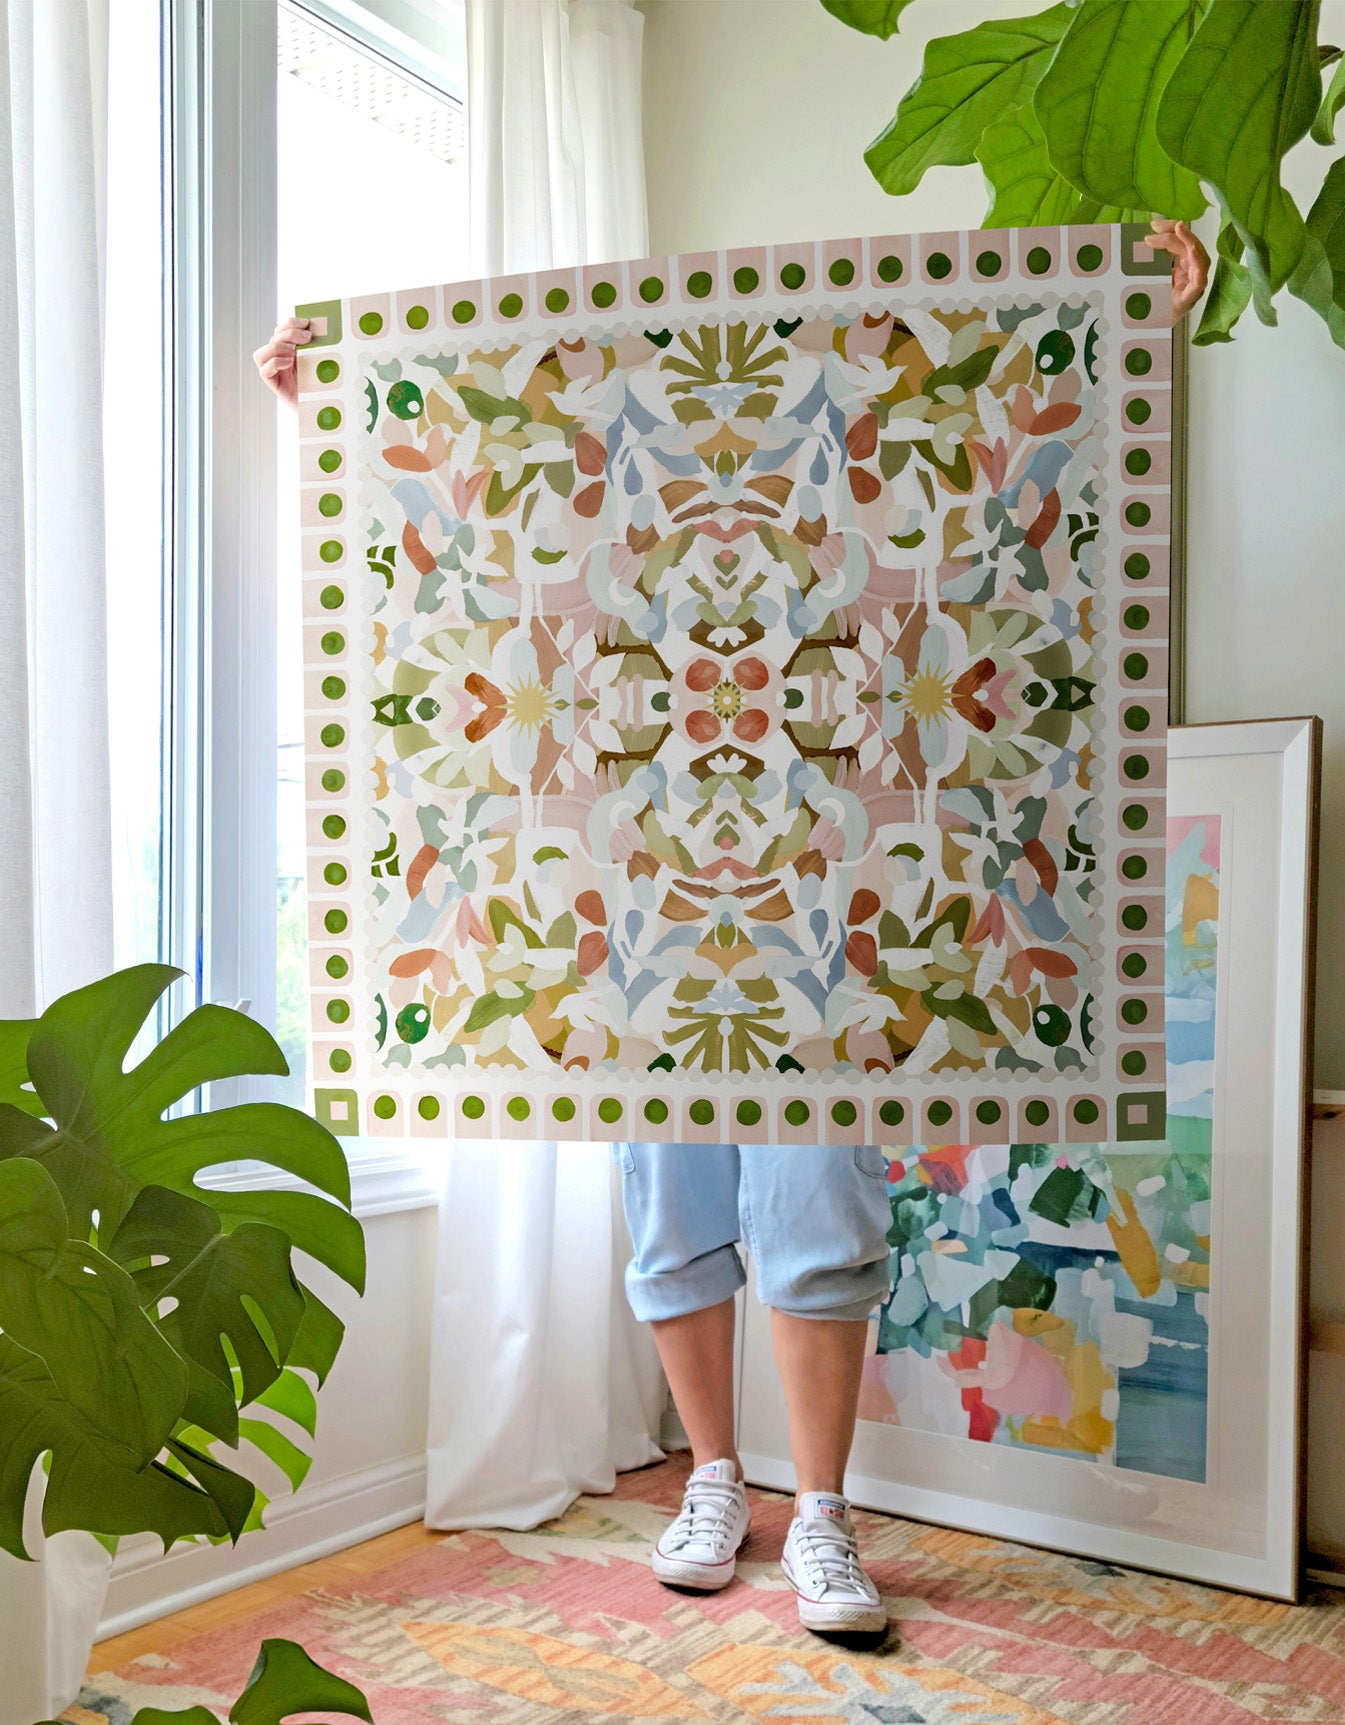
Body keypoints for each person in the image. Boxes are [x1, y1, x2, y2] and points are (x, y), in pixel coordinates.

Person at [256, 217, 1210, 1640]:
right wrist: (328, 410)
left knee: (818, 1206)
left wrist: (1143, 323)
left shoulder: (840, 524)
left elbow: (992, 521)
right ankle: (713, 1477)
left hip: (819, 884)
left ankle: (820, 1510)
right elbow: (476, 537)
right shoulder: (614, 509)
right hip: (649, 889)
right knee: (671, 1206)